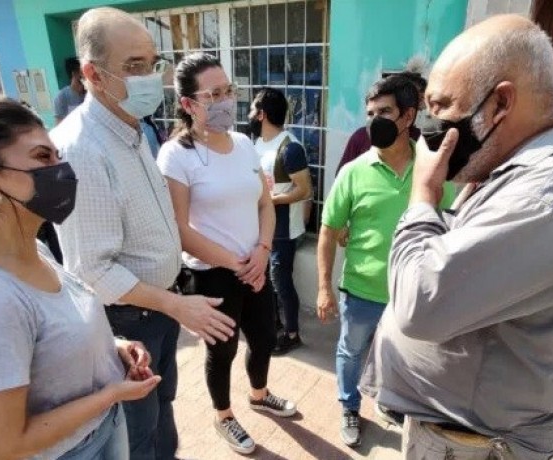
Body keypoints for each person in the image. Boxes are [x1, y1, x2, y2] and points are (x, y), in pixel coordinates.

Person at [363, 15, 553, 460]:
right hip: (454, 429)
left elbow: (419, 303)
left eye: (443, 107)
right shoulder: (513, 171)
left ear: (500, 103)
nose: (430, 128)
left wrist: (424, 195)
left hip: (474, 444)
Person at [0, 97, 161, 458]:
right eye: (42, 158)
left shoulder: (36, 250)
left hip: (102, 430)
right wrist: (112, 394)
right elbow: (0, 446)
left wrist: (114, 349)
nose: (62, 169)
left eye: (56, 155)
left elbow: (50, 339)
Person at [51, 8, 236, 459]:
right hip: (129, 320)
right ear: (93, 74)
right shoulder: (81, 149)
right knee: (136, 430)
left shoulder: (133, 130)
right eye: (134, 66)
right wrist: (176, 304)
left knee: (161, 406)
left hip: (160, 308)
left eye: (153, 63)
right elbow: (91, 269)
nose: (150, 76)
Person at [158, 52, 297, 455]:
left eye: (228, 90)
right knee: (223, 349)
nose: (225, 100)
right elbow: (180, 230)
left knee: (265, 337)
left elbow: (265, 202)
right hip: (213, 272)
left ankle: (260, 393)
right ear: (188, 104)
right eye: (213, 93)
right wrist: (238, 263)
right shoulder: (177, 155)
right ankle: (224, 416)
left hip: (255, 262)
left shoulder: (241, 144)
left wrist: (264, 249)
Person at [317, 74, 432, 447]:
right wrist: (323, 288)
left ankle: (388, 400)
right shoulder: (353, 172)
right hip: (363, 288)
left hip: (412, 293)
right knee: (351, 351)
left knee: (399, 355)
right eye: (370, 112)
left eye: (385, 111)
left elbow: (451, 219)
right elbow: (328, 231)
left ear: (409, 116)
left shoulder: (431, 168)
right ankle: (350, 406)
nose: (374, 120)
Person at [248, 87, 312, 355]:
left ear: (261, 114)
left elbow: (305, 190)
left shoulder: (290, 147)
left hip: (284, 229)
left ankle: (292, 332)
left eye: (252, 109)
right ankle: (273, 323)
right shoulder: (256, 144)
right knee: (265, 278)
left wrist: (271, 200)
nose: (249, 114)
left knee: (280, 279)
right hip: (260, 226)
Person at [54, 57, 87, 125]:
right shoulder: (62, 97)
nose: (86, 74)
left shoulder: (90, 94)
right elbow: (59, 124)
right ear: (74, 73)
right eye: (83, 71)